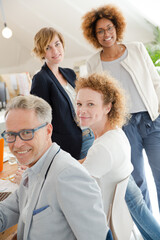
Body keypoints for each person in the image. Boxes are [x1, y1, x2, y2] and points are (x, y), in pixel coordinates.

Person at [81, 3, 160, 212]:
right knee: (137, 182)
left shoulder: (136, 48)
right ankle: (149, 232)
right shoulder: (92, 63)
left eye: (109, 28)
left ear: (116, 27)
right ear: (94, 35)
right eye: (100, 31)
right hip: (123, 127)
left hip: (151, 120)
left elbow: (155, 81)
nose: (106, 34)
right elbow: (95, 99)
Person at [0, 94, 112, 240]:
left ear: (48, 131)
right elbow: (7, 211)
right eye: (11, 135)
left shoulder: (68, 175)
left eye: (27, 133)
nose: (17, 144)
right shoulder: (32, 169)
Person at [75, 72, 160, 240]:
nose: (82, 110)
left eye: (90, 104)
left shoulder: (102, 149)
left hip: (98, 225)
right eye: (79, 103)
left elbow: (73, 188)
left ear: (108, 107)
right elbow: (85, 165)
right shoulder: (115, 133)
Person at [30, 27, 94, 160]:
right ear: (42, 52)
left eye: (57, 44)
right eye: (48, 48)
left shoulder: (69, 73)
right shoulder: (41, 79)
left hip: (90, 133)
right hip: (70, 144)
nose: (55, 51)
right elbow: (39, 119)